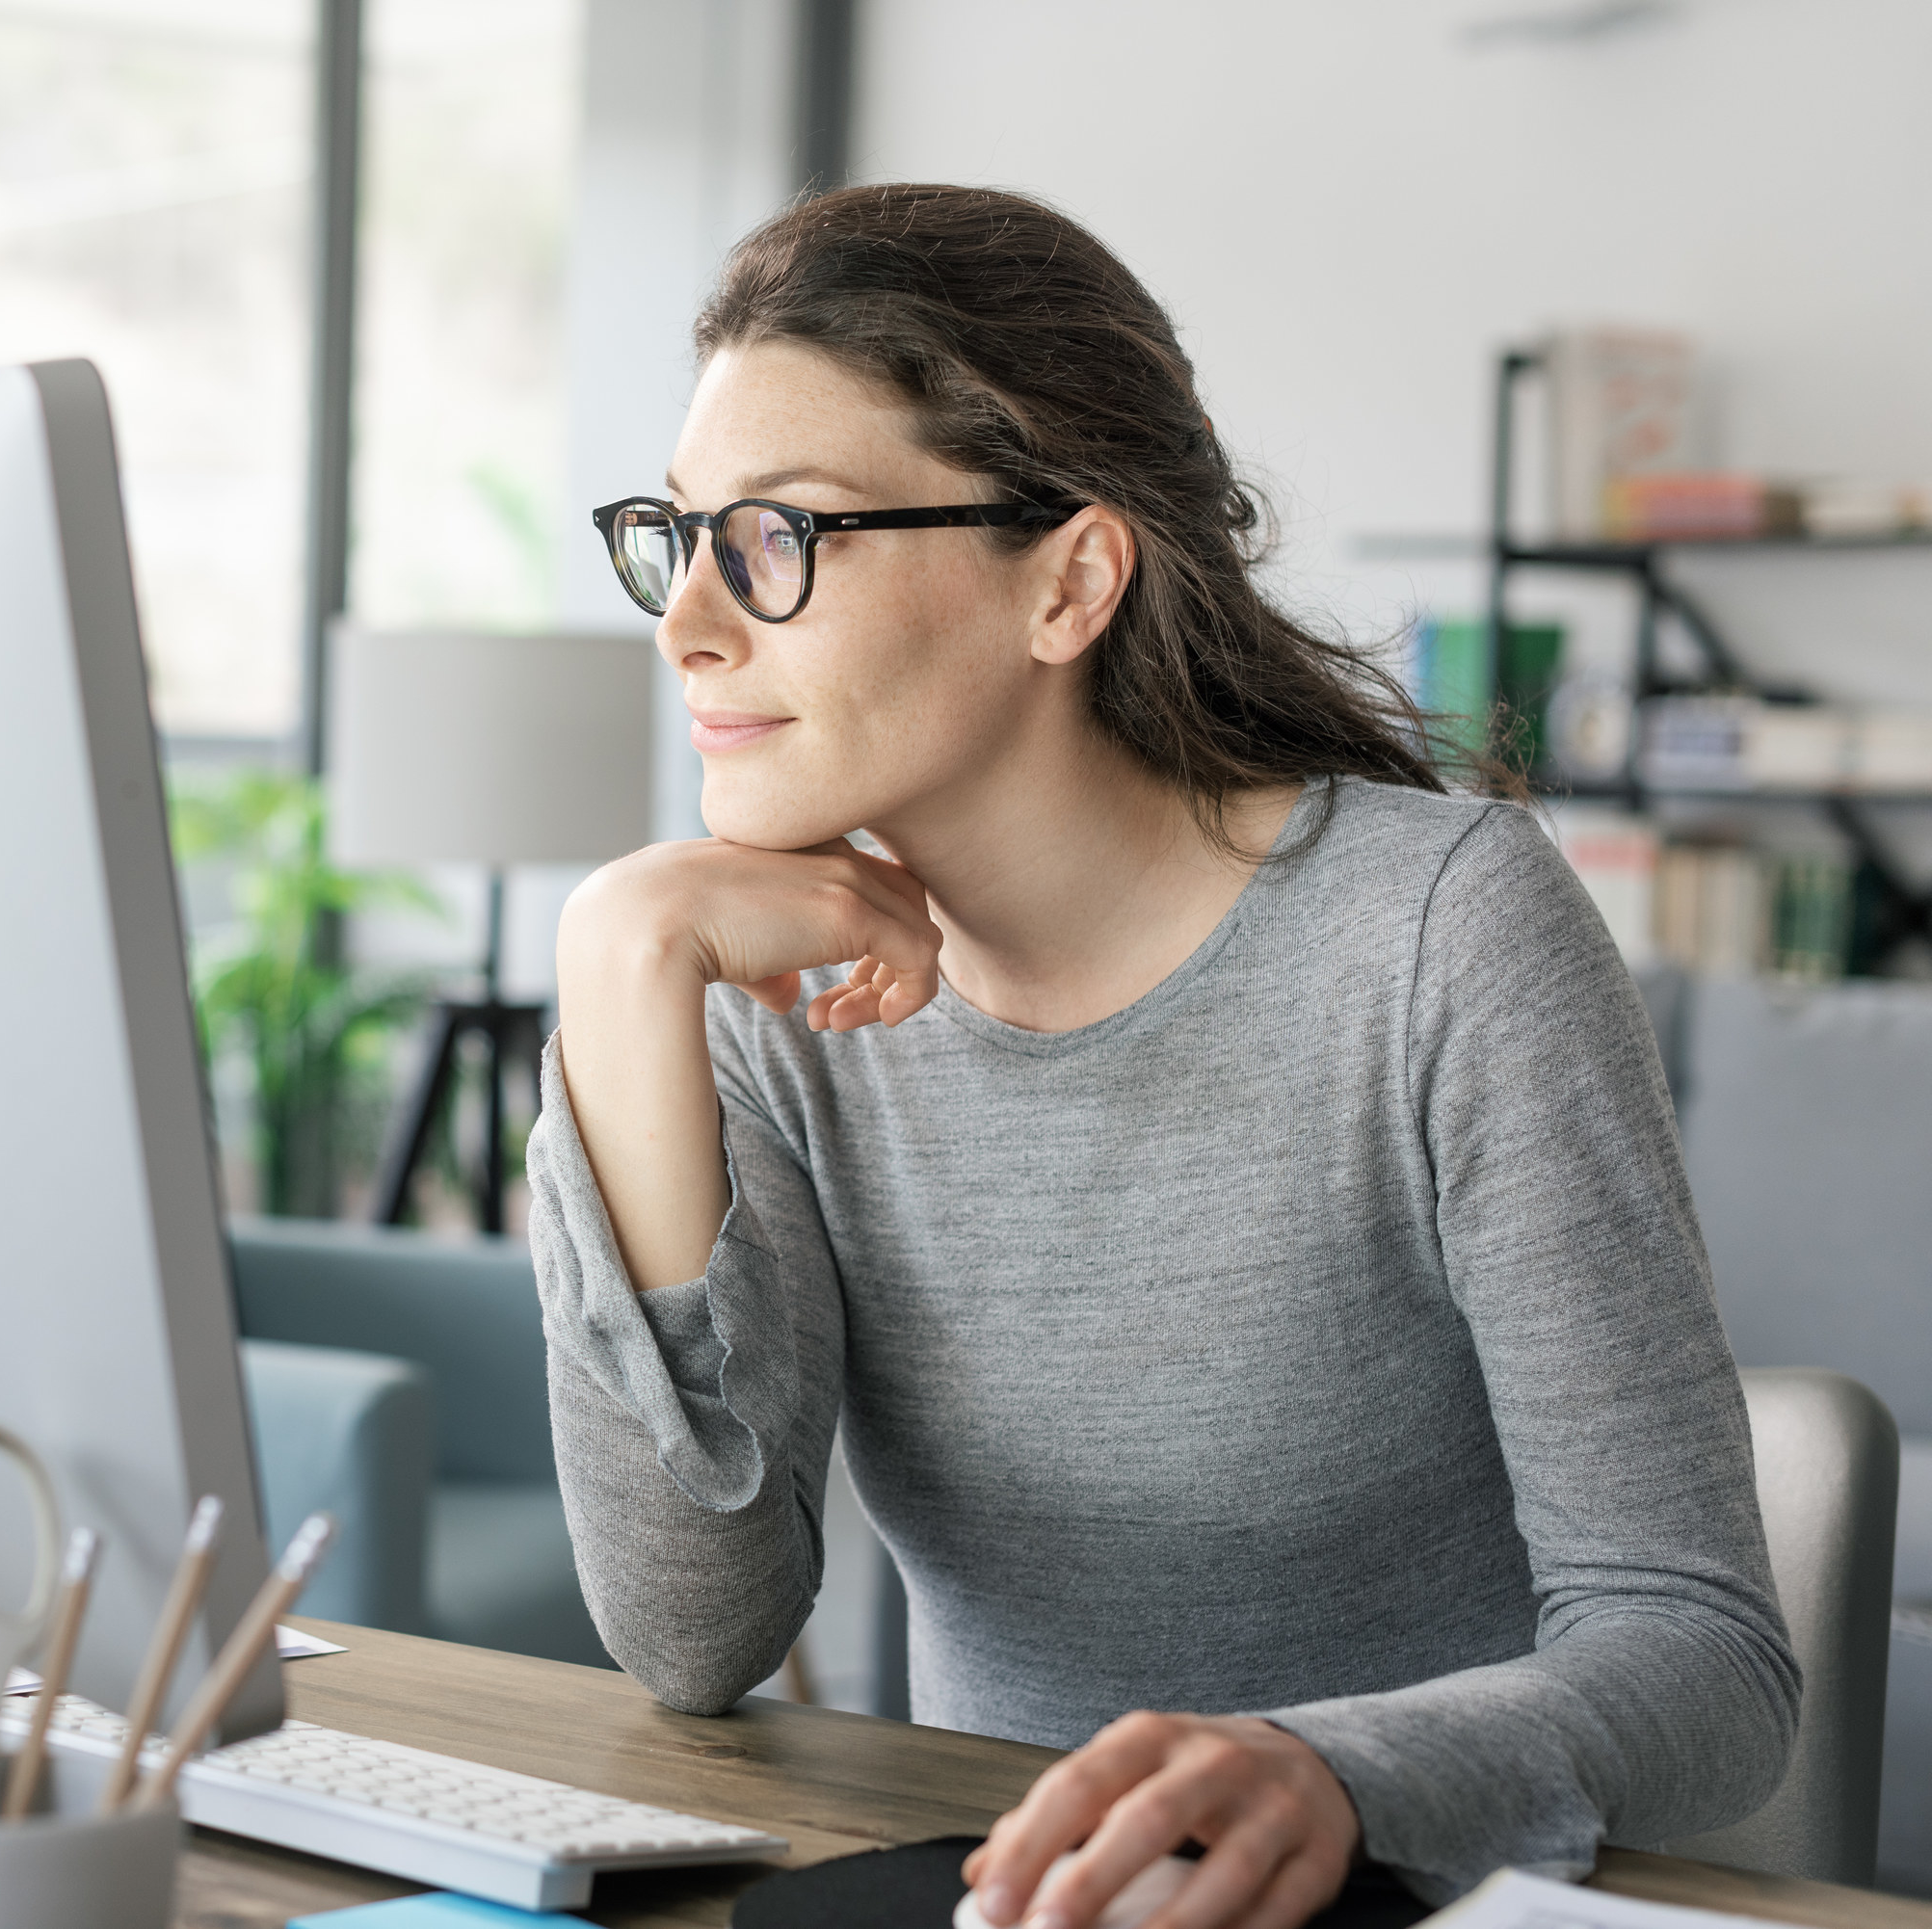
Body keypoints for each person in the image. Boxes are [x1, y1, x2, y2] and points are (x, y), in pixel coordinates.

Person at [528, 183, 1798, 1929]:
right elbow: (694, 1634)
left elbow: (1706, 1658)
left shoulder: (1440, 934)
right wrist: (618, 969)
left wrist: (1331, 1775)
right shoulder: (775, 999)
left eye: (782, 538)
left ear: (1071, 579)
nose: (688, 623)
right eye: (680, 538)